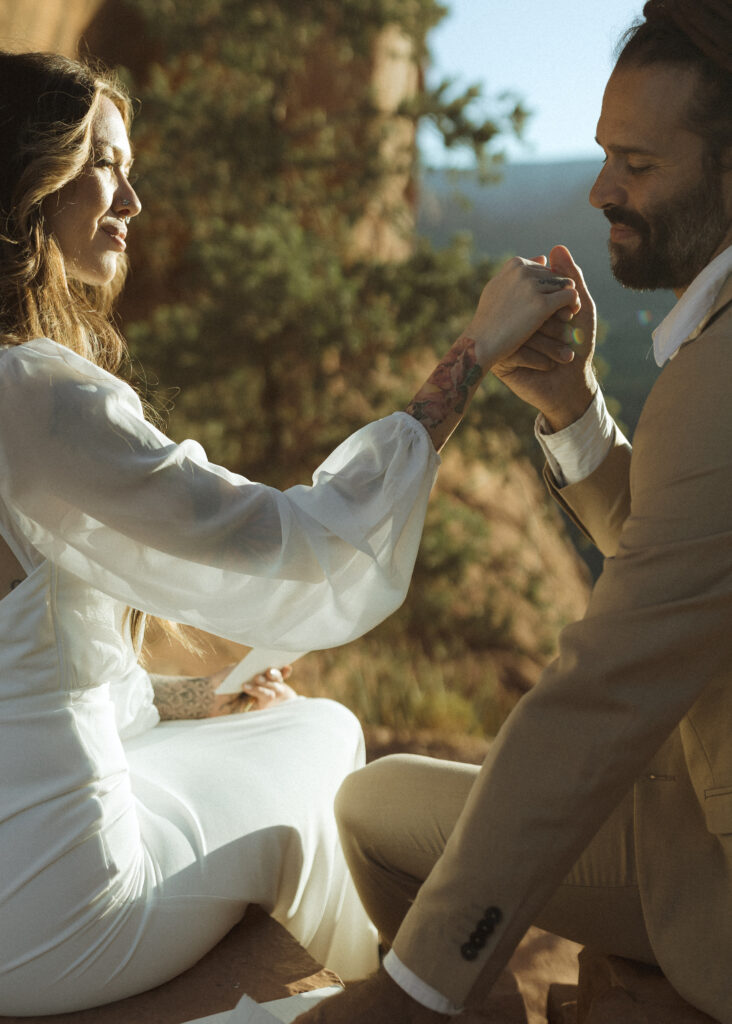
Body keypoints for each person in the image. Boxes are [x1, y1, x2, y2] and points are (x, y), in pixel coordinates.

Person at [0, 51, 579, 1016]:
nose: (132, 200)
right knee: (324, 729)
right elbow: (299, 548)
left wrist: (191, 698)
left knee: (265, 717)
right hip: (49, 915)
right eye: (103, 162)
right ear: (28, 173)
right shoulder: (32, 395)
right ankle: (369, 1001)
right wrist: (472, 357)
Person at [293, 1, 732, 1021]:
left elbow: (604, 691)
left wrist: (413, 987)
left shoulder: (717, 377)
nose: (600, 190)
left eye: (638, 163)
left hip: (709, 860)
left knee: (368, 811)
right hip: (685, 804)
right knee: (379, 794)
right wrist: (574, 407)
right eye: (601, 155)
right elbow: (691, 563)